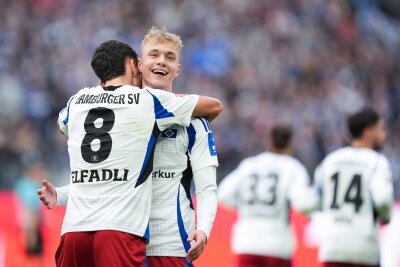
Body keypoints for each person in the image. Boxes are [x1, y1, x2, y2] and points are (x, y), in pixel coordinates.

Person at [39, 27, 220, 267]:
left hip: (168, 244)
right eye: (154, 55)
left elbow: (207, 188)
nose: (162, 61)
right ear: (139, 64)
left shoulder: (194, 122)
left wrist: (204, 228)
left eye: (170, 57)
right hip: (124, 234)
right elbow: (108, 180)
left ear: (178, 69)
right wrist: (62, 195)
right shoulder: (138, 105)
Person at [218, 124, 317, 267]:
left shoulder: (249, 165)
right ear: (290, 143)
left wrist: (246, 205)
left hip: (247, 242)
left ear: (269, 141)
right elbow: (302, 202)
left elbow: (223, 194)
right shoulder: (293, 168)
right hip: (277, 244)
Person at [314, 107, 394, 267]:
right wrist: (386, 217)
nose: (384, 135)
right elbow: (383, 200)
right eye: (380, 129)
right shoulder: (377, 162)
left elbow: (316, 196)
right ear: (368, 132)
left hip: (332, 247)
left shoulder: (331, 159)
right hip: (363, 249)